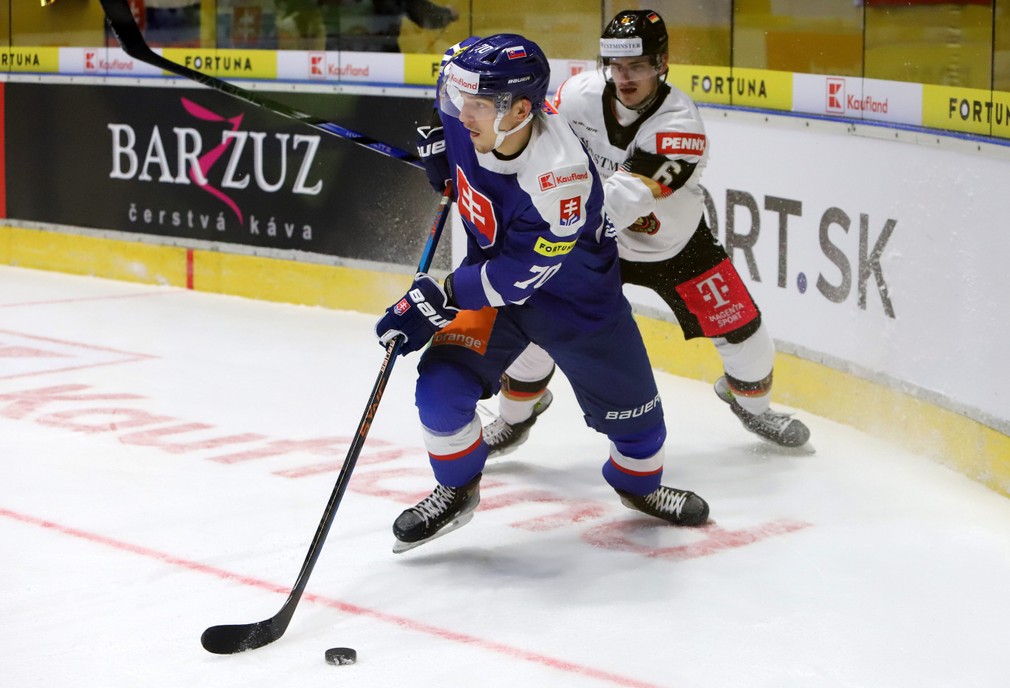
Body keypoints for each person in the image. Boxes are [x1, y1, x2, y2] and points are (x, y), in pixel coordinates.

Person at [374, 33, 710, 553]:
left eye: (477, 106)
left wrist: (438, 297)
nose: (463, 115)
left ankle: (638, 488)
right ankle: (456, 491)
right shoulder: (474, 113)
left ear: (521, 109)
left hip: (576, 303)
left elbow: (517, 276)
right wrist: (445, 159)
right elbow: (455, 75)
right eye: (457, 100)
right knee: (440, 390)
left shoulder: (560, 178)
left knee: (641, 430)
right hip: (496, 291)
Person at [482, 9, 811, 457]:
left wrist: (550, 214)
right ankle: (514, 416)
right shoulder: (578, 94)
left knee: (742, 332)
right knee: (539, 324)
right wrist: (488, 163)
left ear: (661, 63)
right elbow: (535, 143)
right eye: (616, 66)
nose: (624, 78)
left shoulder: (680, 125)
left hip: (672, 247)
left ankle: (753, 405)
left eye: (636, 66)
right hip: (595, 244)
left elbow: (628, 195)